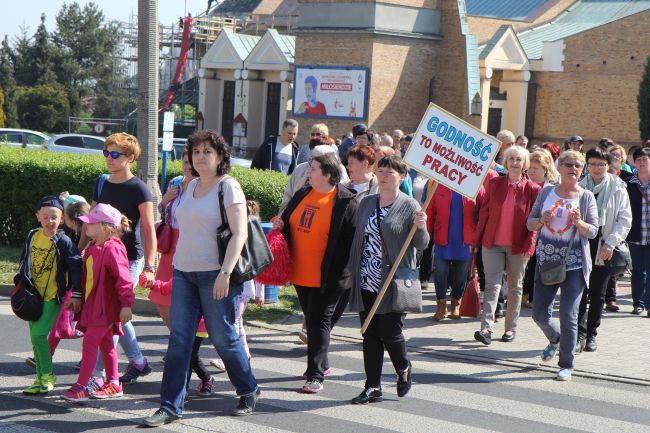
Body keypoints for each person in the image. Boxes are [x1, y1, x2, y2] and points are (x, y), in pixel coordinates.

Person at [143, 131, 259, 427]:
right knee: (179, 341)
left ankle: (248, 389)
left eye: (208, 152)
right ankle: (169, 406)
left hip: (215, 274)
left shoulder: (228, 187)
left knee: (223, 338)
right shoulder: (190, 185)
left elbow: (239, 233)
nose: (201, 157)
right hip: (184, 272)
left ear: (220, 157)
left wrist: (225, 273)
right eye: (196, 152)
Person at [347, 155, 428, 404]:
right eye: (380, 171)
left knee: (389, 331)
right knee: (370, 333)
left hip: (393, 279)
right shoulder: (367, 202)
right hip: (367, 277)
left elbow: (421, 245)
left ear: (401, 177)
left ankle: (403, 367)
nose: (383, 176)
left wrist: (422, 226)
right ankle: (372, 386)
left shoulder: (410, 205)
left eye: (389, 172)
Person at [275, 153, 358, 394]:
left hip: (329, 277)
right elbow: (288, 220)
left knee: (319, 322)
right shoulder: (302, 193)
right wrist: (281, 224)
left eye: (313, 169)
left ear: (329, 174)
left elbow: (352, 242)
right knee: (312, 320)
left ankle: (315, 375)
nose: (308, 172)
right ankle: (322, 363)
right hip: (300, 273)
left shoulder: (345, 201)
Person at [79, 132, 156, 388]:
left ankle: (98, 376)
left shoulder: (139, 189)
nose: (109, 158)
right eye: (106, 153)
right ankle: (138, 361)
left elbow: (148, 230)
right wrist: (81, 250)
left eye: (115, 154)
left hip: (129, 260)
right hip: (100, 256)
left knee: (106, 316)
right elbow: (91, 221)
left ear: (130, 157)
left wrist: (149, 266)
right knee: (114, 314)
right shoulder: (102, 182)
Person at [527, 150, 598, 381]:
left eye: (578, 165)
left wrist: (579, 223)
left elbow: (594, 231)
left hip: (575, 263)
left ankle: (566, 364)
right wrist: (541, 220)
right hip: (547, 261)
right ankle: (555, 338)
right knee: (538, 314)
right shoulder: (546, 192)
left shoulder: (586, 197)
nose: (574, 169)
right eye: (569, 164)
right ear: (559, 166)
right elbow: (530, 223)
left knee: (568, 315)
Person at [61, 204, 134, 401]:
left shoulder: (113, 249)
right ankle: (114, 384)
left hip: (106, 307)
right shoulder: (94, 246)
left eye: (90, 224)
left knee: (91, 341)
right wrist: (78, 298)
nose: (86, 227)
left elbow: (124, 279)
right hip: (94, 306)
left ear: (105, 226)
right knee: (106, 343)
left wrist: (126, 305)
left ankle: (82, 386)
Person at [472, 146, 540, 345]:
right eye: (511, 159)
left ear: (524, 163)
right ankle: (486, 328)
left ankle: (510, 329)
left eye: (519, 159)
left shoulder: (532, 189)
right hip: (492, 243)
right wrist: (476, 241)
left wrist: (530, 247)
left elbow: (534, 224)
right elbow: (484, 213)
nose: (515, 162)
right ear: (506, 161)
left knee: (515, 288)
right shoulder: (494, 184)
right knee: (492, 285)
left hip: (518, 246)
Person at [19, 196, 82, 395]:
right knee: (35, 339)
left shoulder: (63, 241)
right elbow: (25, 259)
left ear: (62, 218)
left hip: (53, 297)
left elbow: (76, 266)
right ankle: (39, 379)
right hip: (32, 296)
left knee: (39, 335)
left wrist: (76, 293)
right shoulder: (33, 236)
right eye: (45, 217)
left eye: (54, 217)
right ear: (38, 217)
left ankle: (47, 375)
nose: (49, 221)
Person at [576, 148, 631, 352]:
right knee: (579, 291)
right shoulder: (580, 186)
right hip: (582, 244)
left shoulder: (618, 187)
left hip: (604, 246)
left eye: (601, 164)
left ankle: (591, 335)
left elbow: (624, 220)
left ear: (608, 166)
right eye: (592, 164)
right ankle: (578, 334)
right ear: (587, 165)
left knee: (598, 294)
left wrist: (611, 243)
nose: (597, 168)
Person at [152, 149, 195, 327]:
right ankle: (176, 337)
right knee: (161, 298)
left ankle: (183, 344)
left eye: (191, 163)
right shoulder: (175, 182)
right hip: (170, 245)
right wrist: (164, 200)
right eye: (185, 162)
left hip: (190, 244)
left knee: (185, 299)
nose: (188, 167)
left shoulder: (203, 186)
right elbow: (163, 212)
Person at [427, 183, 482, 320]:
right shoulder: (438, 185)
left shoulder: (475, 185)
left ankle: (456, 304)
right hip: (442, 237)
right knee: (439, 273)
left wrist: (478, 237)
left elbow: (483, 211)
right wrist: (426, 234)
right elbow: (430, 210)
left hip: (466, 240)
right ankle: (441, 306)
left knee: (461, 274)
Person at [522, 150, 559, 308]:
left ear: (546, 169)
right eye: (530, 167)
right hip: (523, 229)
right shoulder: (523, 183)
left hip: (542, 233)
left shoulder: (551, 189)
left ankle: (532, 296)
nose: (532, 171)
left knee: (536, 264)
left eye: (536, 168)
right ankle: (522, 294)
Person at [279, 139, 349, 214]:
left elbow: (341, 194)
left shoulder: (340, 170)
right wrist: (282, 218)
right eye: (312, 159)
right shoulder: (300, 169)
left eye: (318, 161)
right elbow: (287, 197)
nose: (312, 163)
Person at [626, 147, 650, 316]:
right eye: (639, 159)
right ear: (634, 162)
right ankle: (638, 304)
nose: (642, 161)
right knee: (637, 270)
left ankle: (648, 305)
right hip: (634, 235)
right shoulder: (628, 184)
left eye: (645, 158)